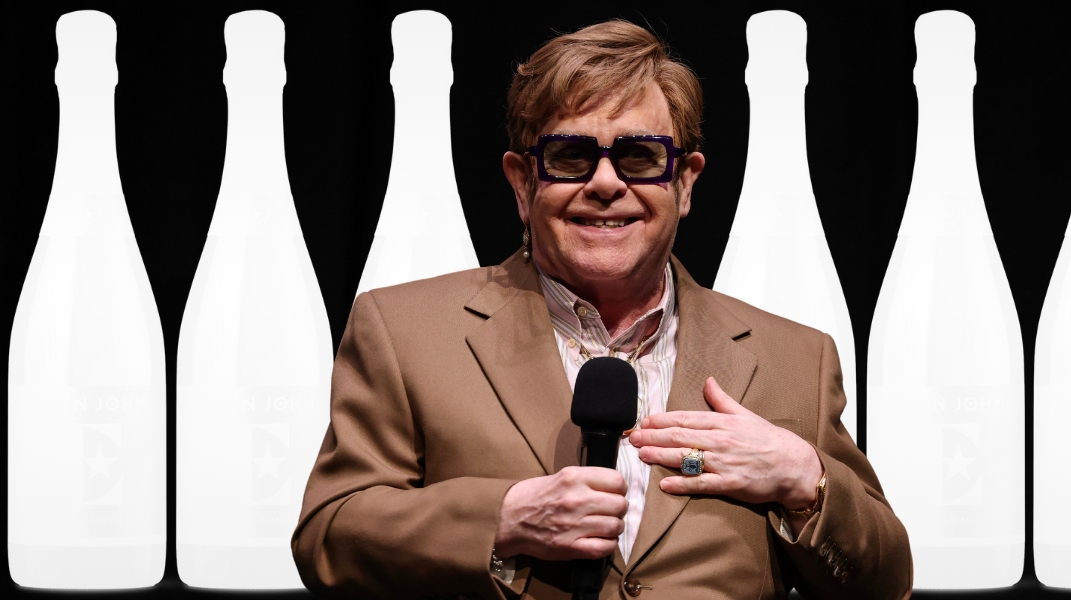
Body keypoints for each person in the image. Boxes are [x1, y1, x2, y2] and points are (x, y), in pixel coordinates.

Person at [293, 19, 912, 599]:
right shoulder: (403, 331)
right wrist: (503, 518)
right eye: (570, 157)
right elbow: (328, 536)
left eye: (640, 156)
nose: (607, 183)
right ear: (522, 183)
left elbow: (886, 584)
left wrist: (804, 481)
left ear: (685, 182)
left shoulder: (795, 359)